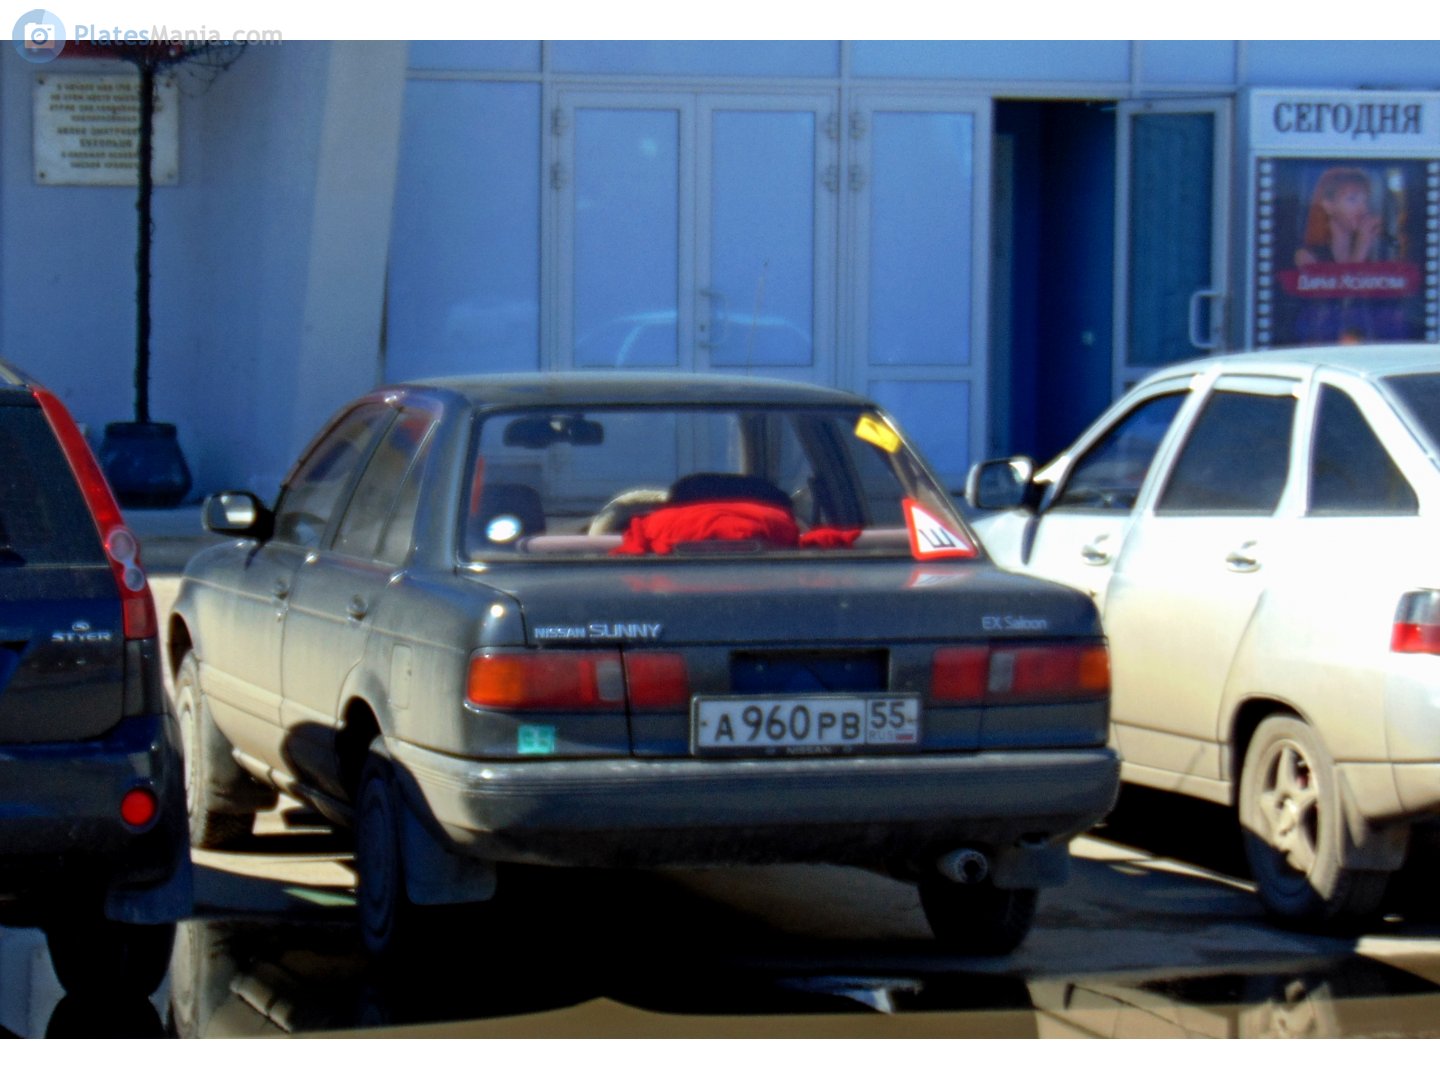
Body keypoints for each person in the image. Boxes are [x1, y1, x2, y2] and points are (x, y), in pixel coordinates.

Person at [1294, 167, 1382, 268]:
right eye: (1352, 199)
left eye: (1365, 201)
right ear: (1328, 205)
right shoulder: (1307, 257)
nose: (1363, 209)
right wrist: (1360, 250)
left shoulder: (1367, 255)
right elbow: (1345, 283)